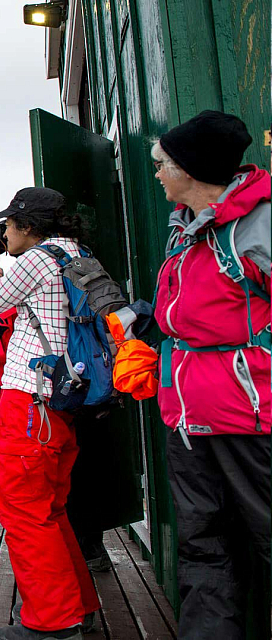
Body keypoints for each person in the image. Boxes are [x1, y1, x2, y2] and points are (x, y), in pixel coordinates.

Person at [150, 111, 269, 639]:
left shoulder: (257, 225)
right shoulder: (184, 231)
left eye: (161, 164)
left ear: (189, 170)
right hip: (187, 419)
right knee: (202, 547)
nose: (156, 173)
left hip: (249, 420)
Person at [0, 187, 100, 639]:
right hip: (60, 403)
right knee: (50, 508)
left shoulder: (37, 259)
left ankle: (54, 622)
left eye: (7, 226)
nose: (3, 232)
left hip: (30, 400)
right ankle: (76, 605)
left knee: (22, 508)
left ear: (27, 227)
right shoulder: (76, 254)